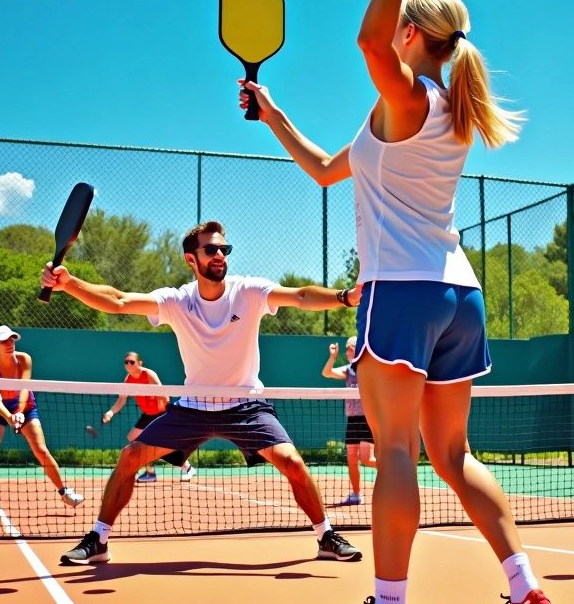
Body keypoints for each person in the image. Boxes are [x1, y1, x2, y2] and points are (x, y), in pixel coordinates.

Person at [241, 0, 560, 604]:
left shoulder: (408, 95)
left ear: (413, 35)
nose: (390, 40)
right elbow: (326, 169)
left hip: (402, 291)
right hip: (458, 296)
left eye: (401, 27)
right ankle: (527, 594)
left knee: (394, 453)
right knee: (454, 455)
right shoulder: (438, 111)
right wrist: (272, 115)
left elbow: (366, 42)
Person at [40, 221, 363, 567]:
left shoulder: (249, 291)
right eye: (211, 250)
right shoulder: (177, 301)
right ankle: (99, 539)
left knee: (293, 463)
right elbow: (119, 301)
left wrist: (345, 297)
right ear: (191, 260)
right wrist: (70, 284)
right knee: (130, 457)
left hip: (246, 406)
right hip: (193, 408)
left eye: (225, 249)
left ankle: (326, 536)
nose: (220, 255)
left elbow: (299, 296)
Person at [0, 326, 85, 515]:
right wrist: (10, 417)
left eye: (12, 339)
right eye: (4, 341)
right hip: (2, 411)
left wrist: (19, 412)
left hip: (26, 407)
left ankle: (64, 491)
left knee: (41, 450)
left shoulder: (24, 359)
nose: (10, 343)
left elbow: (25, 388)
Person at [101, 351, 196, 483]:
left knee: (159, 443)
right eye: (126, 362)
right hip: (148, 415)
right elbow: (121, 400)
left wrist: (168, 414)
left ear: (139, 363)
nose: (129, 364)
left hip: (161, 413)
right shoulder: (128, 380)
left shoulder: (148, 374)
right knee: (134, 438)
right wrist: (110, 412)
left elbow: (163, 394)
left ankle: (186, 467)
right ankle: (151, 473)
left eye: (132, 361)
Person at [322, 337, 376, 505]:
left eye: (351, 348)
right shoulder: (348, 370)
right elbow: (326, 373)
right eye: (347, 349)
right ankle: (356, 494)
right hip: (352, 420)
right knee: (352, 459)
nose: (348, 351)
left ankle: (395, 471)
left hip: (368, 419)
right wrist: (332, 357)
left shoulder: (369, 368)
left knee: (367, 459)